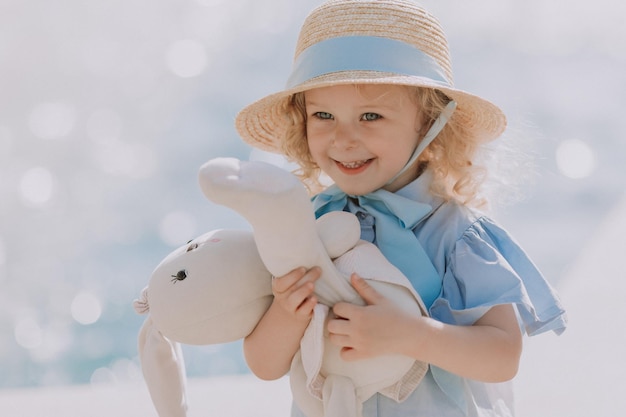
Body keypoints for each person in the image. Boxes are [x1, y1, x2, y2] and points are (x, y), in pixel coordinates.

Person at [235, 1, 567, 416]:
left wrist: (414, 335)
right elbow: (264, 365)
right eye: (323, 115)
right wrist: (287, 313)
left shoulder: (457, 234)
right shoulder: (305, 227)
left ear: (428, 124)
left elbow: (503, 356)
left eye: (370, 115)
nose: (343, 139)